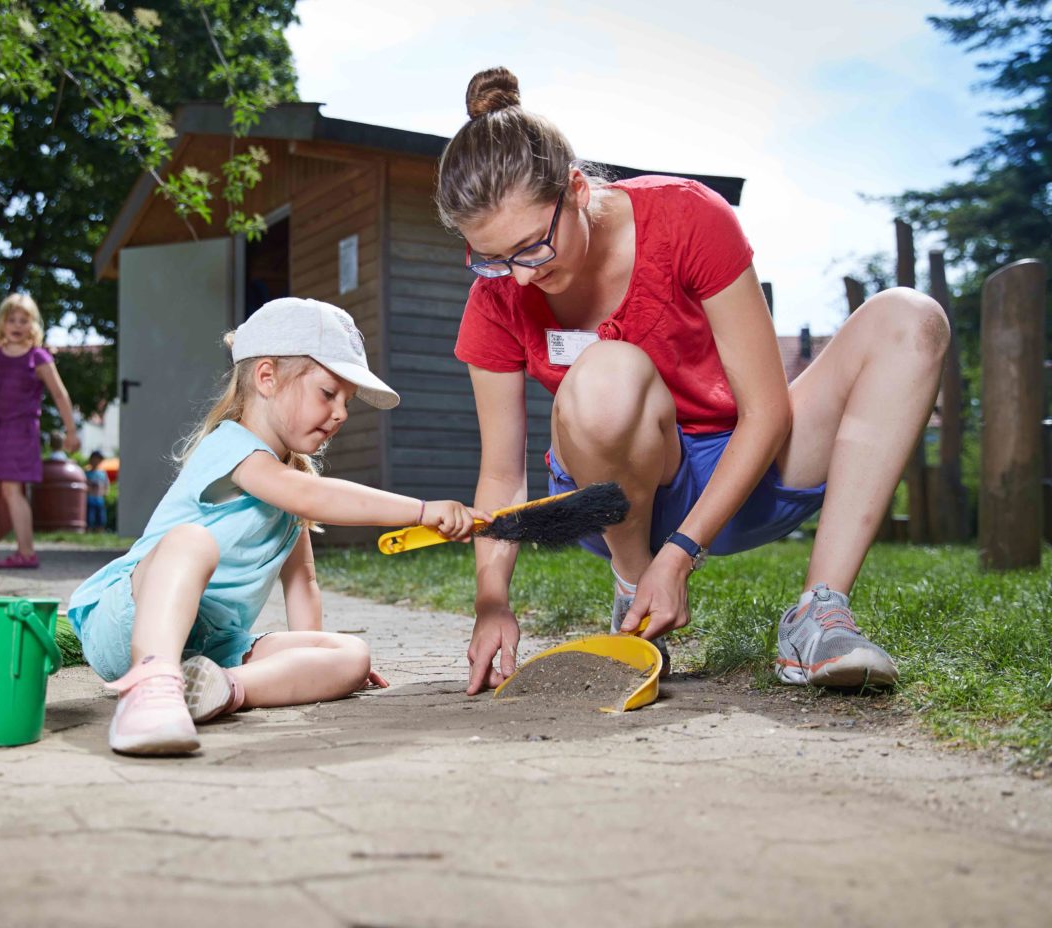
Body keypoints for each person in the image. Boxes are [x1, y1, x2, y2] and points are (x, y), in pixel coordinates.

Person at [435, 68, 949, 696]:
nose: (516, 278)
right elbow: (501, 476)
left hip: (744, 467)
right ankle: (633, 597)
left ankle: (819, 613)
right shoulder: (497, 298)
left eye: (531, 248)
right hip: (616, 499)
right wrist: (492, 602)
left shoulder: (686, 217)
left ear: (575, 189)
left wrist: (681, 554)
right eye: (489, 258)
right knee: (605, 376)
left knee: (911, 319)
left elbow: (766, 410)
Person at [68, 298, 487, 757]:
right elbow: (311, 496)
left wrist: (312, 664)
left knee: (350, 655)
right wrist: (421, 511)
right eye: (329, 393)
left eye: (347, 402)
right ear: (267, 378)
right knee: (190, 542)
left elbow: (303, 582)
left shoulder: (289, 487)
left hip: (215, 647)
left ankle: (221, 690)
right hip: (129, 620)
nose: (342, 413)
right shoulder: (234, 448)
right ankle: (149, 687)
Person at [0, 293, 79, 569]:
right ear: (3, 322)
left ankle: (26, 553)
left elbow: (59, 395)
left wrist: (71, 431)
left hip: (21, 431)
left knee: (13, 490)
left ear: (33, 324)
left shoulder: (38, 357)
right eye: (12, 319)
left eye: (24, 320)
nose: (18, 325)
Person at [84, 450, 110, 533]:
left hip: (99, 499)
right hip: (90, 499)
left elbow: (106, 484)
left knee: (101, 519)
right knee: (89, 519)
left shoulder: (102, 473)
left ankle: (100, 532)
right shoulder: (86, 473)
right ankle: (89, 532)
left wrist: (105, 491)